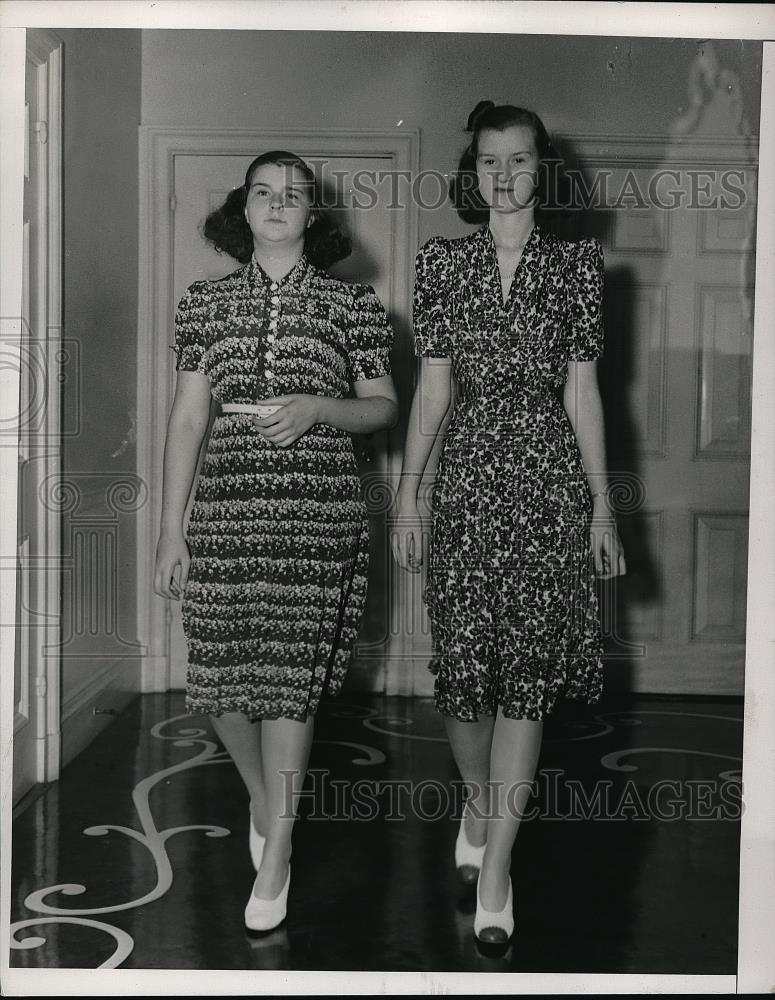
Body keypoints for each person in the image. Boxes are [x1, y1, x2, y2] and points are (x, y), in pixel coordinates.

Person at [391, 102, 626, 946]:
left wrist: (601, 507)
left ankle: (495, 869)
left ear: (542, 170)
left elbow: (584, 392)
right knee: (462, 681)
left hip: (548, 491)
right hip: (464, 491)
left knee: (526, 679)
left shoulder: (576, 265)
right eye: (488, 160)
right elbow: (432, 391)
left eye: (518, 160)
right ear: (472, 171)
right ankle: (480, 807)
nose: (502, 175)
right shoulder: (442, 262)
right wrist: (410, 496)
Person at [154, 150, 398, 933]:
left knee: (289, 681)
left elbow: (381, 407)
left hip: (315, 510)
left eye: (292, 195)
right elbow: (189, 417)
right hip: (225, 508)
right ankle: (267, 800)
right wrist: (171, 529)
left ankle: (278, 851)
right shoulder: (203, 304)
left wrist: (319, 408)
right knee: (222, 679)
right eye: (262, 192)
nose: (276, 204)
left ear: (312, 215)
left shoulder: (351, 305)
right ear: (242, 210)